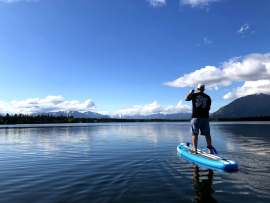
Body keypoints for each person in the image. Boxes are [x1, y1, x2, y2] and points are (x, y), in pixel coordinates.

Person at [185, 84, 213, 154]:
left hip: (196, 117)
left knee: (194, 133)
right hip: (205, 117)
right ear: (204, 89)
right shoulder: (208, 97)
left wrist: (190, 92)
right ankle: (210, 150)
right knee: (207, 134)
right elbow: (208, 108)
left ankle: (195, 150)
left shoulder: (194, 95)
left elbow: (186, 99)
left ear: (197, 89)